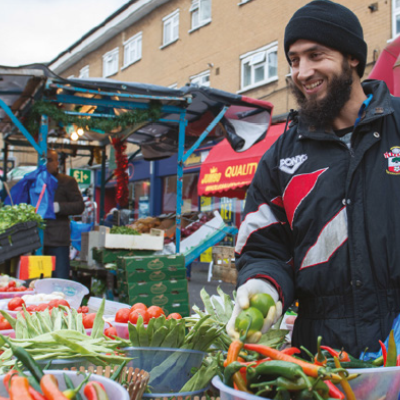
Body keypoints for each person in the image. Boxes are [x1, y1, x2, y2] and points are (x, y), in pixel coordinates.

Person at [227, 0, 400, 357]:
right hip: (319, 359)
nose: (302, 72)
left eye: (315, 55)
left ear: (352, 56)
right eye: (294, 60)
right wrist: (262, 284)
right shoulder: (280, 159)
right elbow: (264, 246)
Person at [44, 149, 84, 279]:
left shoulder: (67, 181)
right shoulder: (34, 181)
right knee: (37, 282)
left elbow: (79, 206)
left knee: (59, 281)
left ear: (57, 163)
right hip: (37, 241)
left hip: (58, 241)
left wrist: (59, 207)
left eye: (50, 160)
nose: (46, 164)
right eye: (44, 160)